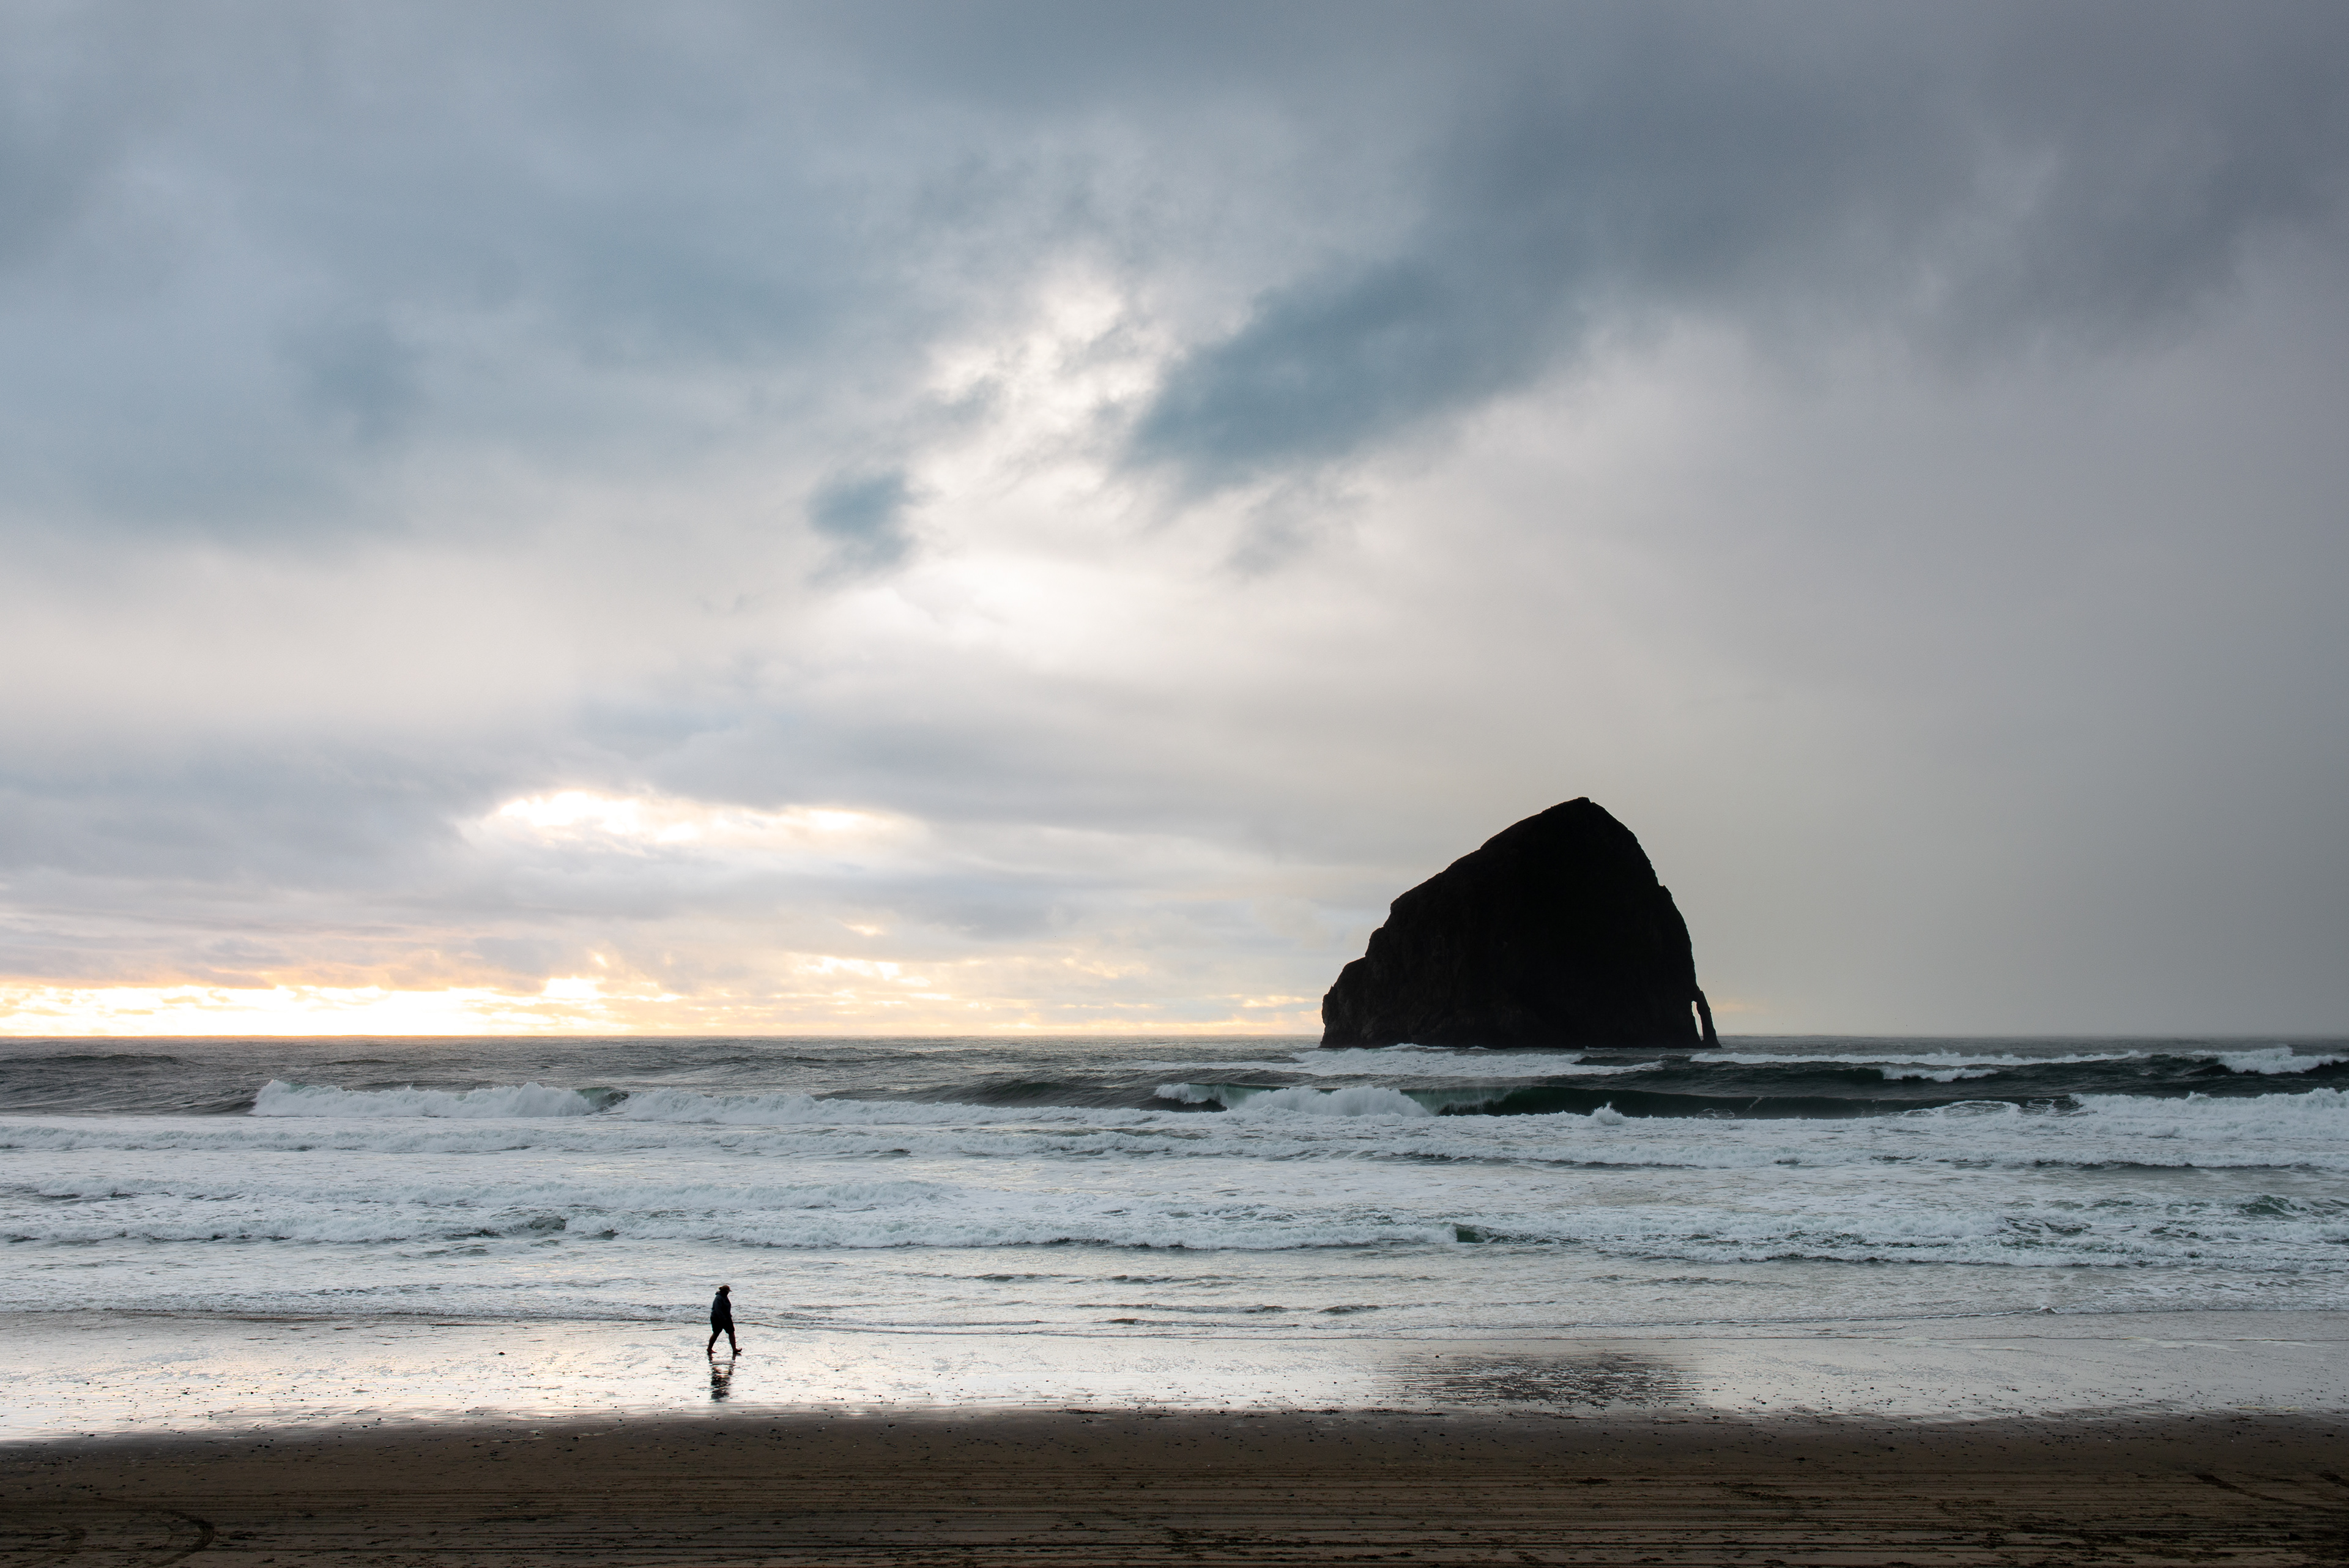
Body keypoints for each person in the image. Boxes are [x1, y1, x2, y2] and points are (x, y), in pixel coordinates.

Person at [706, 1284, 739, 1356]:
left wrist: (728, 1316)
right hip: (717, 1318)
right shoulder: (718, 1298)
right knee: (716, 1333)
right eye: (727, 1292)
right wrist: (723, 1318)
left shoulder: (725, 1297)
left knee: (731, 1332)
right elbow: (718, 1310)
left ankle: (734, 1349)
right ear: (723, 1291)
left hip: (727, 1317)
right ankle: (709, 1348)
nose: (728, 1293)